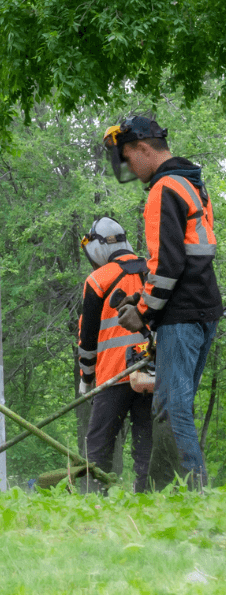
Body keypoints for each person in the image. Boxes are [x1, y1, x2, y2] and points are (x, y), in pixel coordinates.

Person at [103, 116, 221, 489]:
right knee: (169, 406)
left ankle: (192, 493)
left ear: (142, 148)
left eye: (127, 157)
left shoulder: (163, 189)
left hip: (183, 315)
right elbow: (186, 261)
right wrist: (144, 297)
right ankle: (167, 490)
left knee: (171, 409)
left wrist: (142, 311)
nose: (129, 168)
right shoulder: (190, 184)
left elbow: (167, 264)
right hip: (202, 307)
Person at [77, 217, 153, 492]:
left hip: (113, 376)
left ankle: (94, 499)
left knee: (98, 447)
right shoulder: (153, 272)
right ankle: (150, 497)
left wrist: (86, 379)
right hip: (152, 372)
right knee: (148, 445)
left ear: (97, 247)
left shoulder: (98, 279)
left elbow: (87, 341)